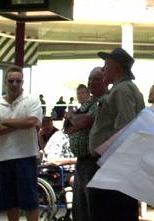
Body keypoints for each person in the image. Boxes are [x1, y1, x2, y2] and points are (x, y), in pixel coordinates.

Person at [88, 48, 144, 221]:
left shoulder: (122, 90)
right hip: (115, 165)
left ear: (118, 70)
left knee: (110, 212)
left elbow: (125, 129)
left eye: (107, 65)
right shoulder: (124, 89)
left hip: (113, 165)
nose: (103, 69)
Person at [0, 65, 42, 221]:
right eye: (11, 81)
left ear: (23, 82)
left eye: (18, 81)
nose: (15, 84)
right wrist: (19, 124)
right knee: (9, 203)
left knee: (30, 202)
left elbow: (32, 122)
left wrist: (5, 121)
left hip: (26, 157)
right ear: (5, 82)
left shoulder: (32, 100)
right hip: (1, 159)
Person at [63, 68, 104, 221]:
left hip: (94, 161)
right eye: (90, 79)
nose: (91, 83)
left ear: (105, 81)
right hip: (82, 161)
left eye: (96, 79)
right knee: (80, 207)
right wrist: (75, 119)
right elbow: (67, 127)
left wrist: (73, 117)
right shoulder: (86, 106)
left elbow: (85, 121)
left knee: (92, 206)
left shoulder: (102, 102)